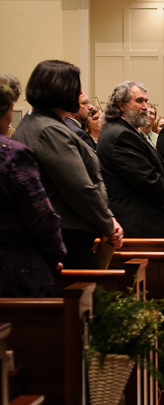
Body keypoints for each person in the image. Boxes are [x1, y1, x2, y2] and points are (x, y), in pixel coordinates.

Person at [12, 60, 123, 268]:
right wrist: (108, 223)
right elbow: (79, 187)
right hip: (68, 237)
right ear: (60, 89)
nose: (80, 93)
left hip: (67, 233)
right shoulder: (48, 130)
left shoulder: (45, 124)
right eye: (76, 87)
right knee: (80, 298)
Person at [0, 70, 66, 297]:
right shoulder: (11, 155)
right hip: (13, 273)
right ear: (6, 112)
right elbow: (40, 215)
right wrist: (55, 254)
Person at [97, 81, 164, 238]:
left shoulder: (122, 130)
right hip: (138, 223)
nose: (145, 107)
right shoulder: (122, 135)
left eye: (146, 101)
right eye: (139, 101)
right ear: (122, 105)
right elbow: (146, 178)